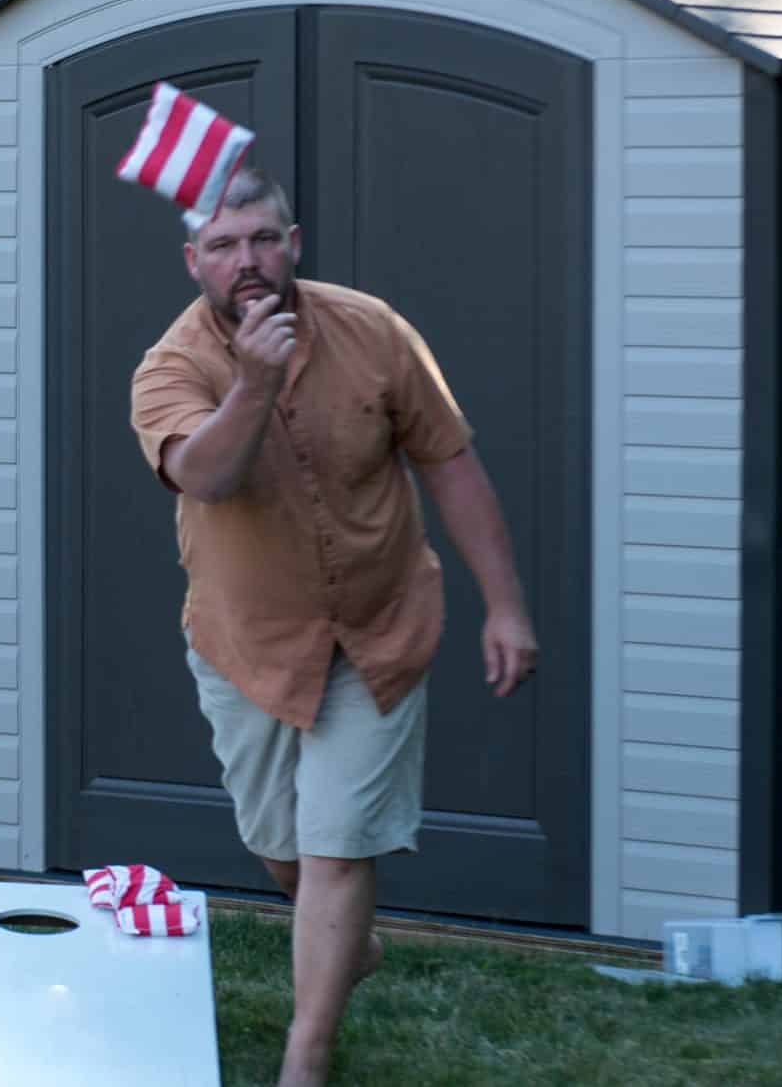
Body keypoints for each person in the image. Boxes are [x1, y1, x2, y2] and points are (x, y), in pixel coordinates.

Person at [129, 169, 538, 1087]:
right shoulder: (172, 366)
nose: (247, 261)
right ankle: (344, 943)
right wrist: (255, 384)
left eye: (264, 239)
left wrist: (506, 605)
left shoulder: (375, 330)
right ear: (193, 259)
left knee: (338, 843)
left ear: (295, 241)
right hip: (249, 644)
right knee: (283, 851)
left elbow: (452, 464)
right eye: (225, 245)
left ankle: (303, 1059)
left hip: (380, 627)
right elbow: (204, 476)